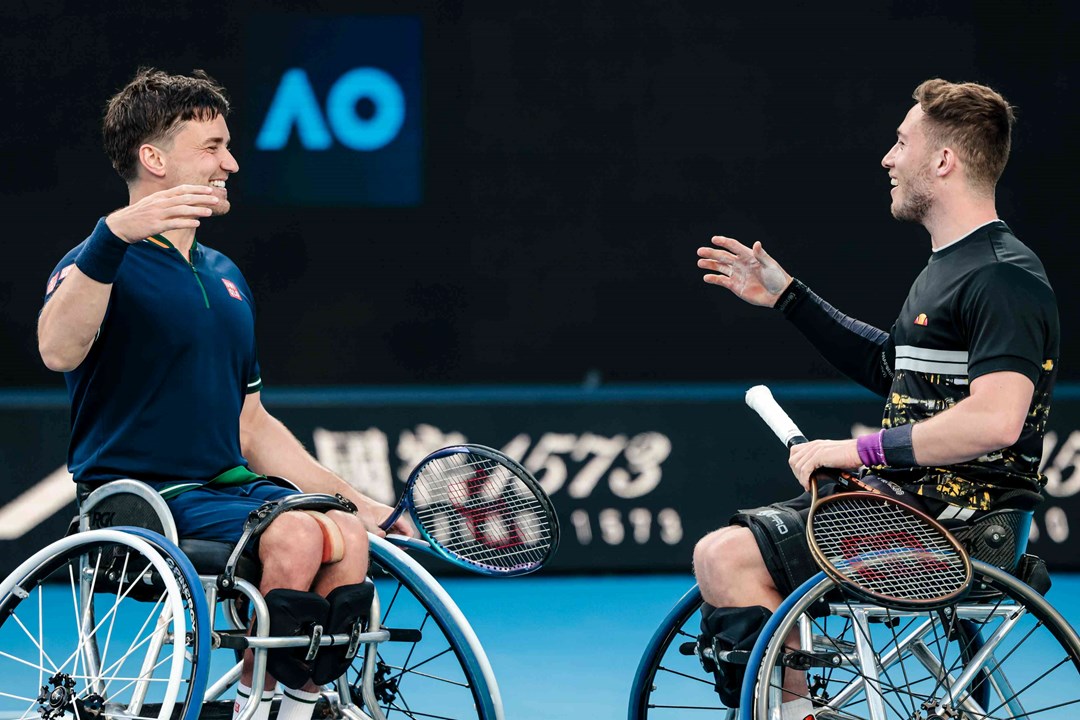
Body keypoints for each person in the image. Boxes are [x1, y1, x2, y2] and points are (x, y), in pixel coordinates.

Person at [37, 68, 410, 720]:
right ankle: (254, 706)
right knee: (295, 537)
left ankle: (292, 708)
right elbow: (57, 350)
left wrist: (367, 504)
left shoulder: (226, 275)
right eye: (212, 147)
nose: (230, 163)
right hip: (140, 501)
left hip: (232, 493)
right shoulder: (93, 262)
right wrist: (112, 236)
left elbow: (252, 426)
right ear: (153, 158)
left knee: (346, 535)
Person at [692, 78, 1059, 719]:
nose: (888, 159)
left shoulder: (1001, 276)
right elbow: (891, 367)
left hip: (961, 529)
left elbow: (998, 420)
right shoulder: (951, 267)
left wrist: (858, 449)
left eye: (901, 142)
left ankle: (789, 711)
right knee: (738, 552)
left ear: (943, 160)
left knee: (724, 556)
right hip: (912, 508)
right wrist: (788, 297)